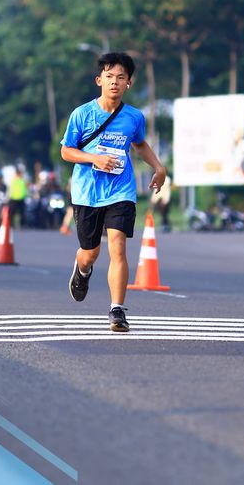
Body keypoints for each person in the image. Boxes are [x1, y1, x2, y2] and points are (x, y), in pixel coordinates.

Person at [61, 52, 166, 333]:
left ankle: (117, 310)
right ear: (99, 80)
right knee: (90, 252)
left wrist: (159, 167)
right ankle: (82, 269)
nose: (114, 82)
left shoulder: (133, 117)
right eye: (109, 77)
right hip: (87, 192)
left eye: (121, 77)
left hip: (121, 190)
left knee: (118, 246)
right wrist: (93, 158)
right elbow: (66, 151)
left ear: (129, 83)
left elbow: (139, 144)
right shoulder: (82, 114)